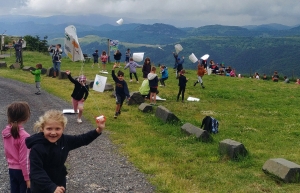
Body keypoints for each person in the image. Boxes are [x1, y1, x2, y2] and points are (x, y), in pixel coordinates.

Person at [25, 109, 105, 193]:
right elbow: (36, 171)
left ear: (63, 128)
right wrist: (52, 187)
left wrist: (98, 130)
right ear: (42, 129)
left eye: (57, 129)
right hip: (41, 187)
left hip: (59, 183)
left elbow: (82, 139)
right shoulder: (37, 147)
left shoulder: (65, 140)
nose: (53, 132)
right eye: (49, 129)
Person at [2, 102, 31, 193]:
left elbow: (7, 152)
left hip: (12, 169)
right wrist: (28, 178)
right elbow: (24, 160)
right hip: (22, 172)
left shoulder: (6, 132)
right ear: (26, 117)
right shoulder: (24, 136)